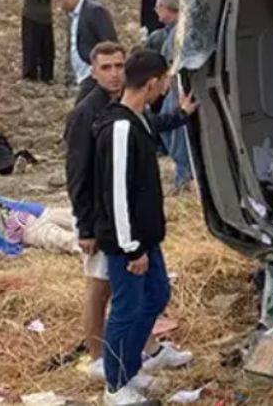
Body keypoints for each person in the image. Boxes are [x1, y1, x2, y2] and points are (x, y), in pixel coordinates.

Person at [65, 42, 192, 384]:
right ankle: (114, 375)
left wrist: (181, 114)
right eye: (106, 67)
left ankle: (131, 363)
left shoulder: (133, 115)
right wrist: (91, 228)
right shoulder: (98, 118)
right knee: (115, 298)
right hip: (118, 232)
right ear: (152, 83)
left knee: (152, 295)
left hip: (138, 232)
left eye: (119, 66)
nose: (114, 73)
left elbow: (149, 129)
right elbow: (100, 184)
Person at [146, 0, 192, 192]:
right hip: (174, 89)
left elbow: (175, 65)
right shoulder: (171, 31)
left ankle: (184, 177)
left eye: (158, 6)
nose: (156, 10)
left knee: (174, 131)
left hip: (177, 90)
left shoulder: (179, 31)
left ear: (166, 8)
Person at [55, 0, 118, 91]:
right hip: (79, 75)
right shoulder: (72, 15)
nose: (58, 6)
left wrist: (102, 67)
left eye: (59, 2)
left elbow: (109, 41)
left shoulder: (95, 11)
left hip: (92, 73)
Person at [21, 0, 58, 82]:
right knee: (32, 47)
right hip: (32, 17)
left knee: (47, 48)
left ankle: (47, 75)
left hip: (46, 18)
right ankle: (30, 74)